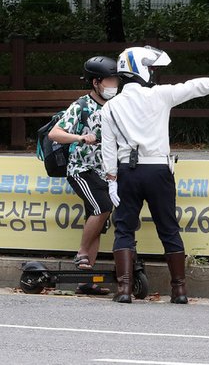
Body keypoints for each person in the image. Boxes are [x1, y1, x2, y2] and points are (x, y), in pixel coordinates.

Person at [101, 45, 209, 304]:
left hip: (128, 171)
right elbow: (196, 86)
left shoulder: (110, 107)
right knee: (169, 228)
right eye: (150, 68)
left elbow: (108, 148)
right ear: (139, 68)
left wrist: (111, 179)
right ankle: (180, 291)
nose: (152, 73)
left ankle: (125, 290)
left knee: (124, 229)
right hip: (159, 170)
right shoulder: (160, 95)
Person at [48, 56, 120, 295]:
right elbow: (54, 134)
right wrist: (80, 137)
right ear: (96, 82)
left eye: (115, 80)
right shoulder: (81, 105)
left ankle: (85, 280)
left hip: (104, 172)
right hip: (81, 169)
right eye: (109, 80)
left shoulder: (115, 105)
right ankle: (81, 255)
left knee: (98, 216)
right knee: (102, 207)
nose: (113, 84)